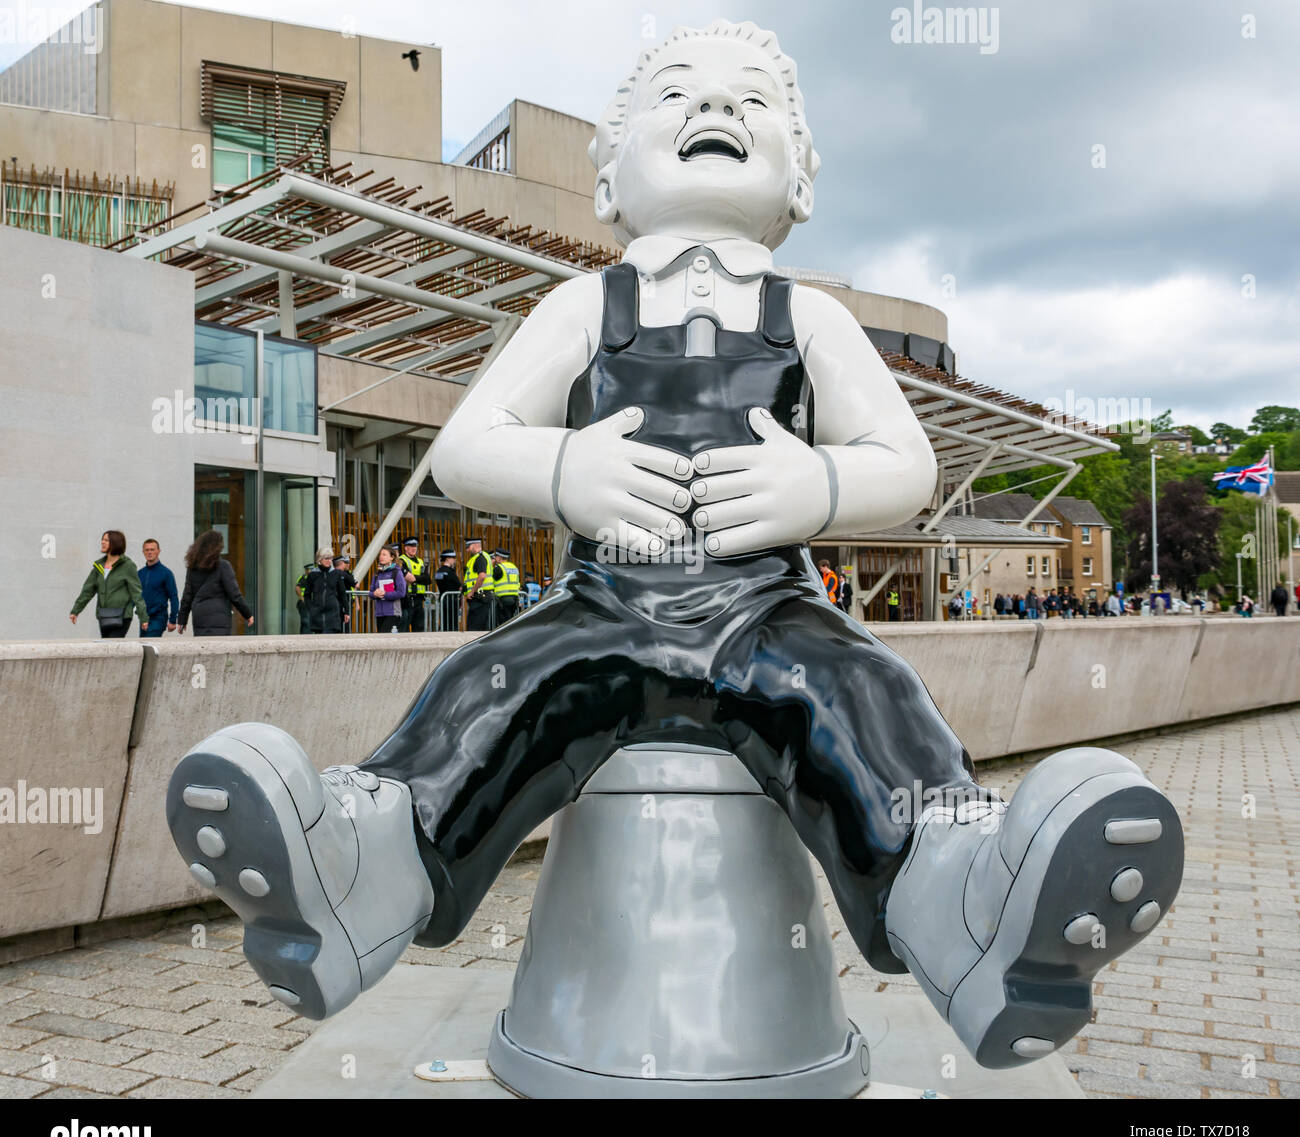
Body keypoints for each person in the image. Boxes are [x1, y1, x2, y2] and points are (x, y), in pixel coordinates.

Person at [167, 22, 1181, 1072]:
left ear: (803, 181)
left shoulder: (811, 319)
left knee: (864, 695)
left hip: (769, 615)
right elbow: (469, 446)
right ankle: (362, 872)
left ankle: (966, 903)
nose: (715, 111)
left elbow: (905, 461)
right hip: (603, 610)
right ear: (608, 182)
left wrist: (815, 483)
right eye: (679, 96)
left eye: (751, 102)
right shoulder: (582, 305)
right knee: (492, 681)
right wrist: (568, 473)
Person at [70, 530, 149, 638]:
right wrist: (76, 610)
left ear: (116, 542)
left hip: (122, 616)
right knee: (107, 649)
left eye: (106, 540)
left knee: (113, 647)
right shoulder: (99, 566)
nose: (102, 542)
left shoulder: (127, 566)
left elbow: (136, 593)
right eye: (102, 539)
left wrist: (143, 617)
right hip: (104, 615)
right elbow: (87, 591)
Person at [177, 530, 253, 636]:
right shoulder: (223, 566)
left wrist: (182, 619)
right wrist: (247, 614)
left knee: (202, 648)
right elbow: (234, 594)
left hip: (200, 617)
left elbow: (187, 597)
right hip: (219, 618)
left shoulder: (193, 568)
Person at [138, 538, 179, 637]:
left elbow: (173, 597)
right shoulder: (140, 573)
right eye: (147, 550)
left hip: (158, 617)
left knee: (149, 644)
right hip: (143, 618)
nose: (149, 552)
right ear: (143, 552)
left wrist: (173, 620)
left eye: (152, 549)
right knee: (144, 648)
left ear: (158, 551)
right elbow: (135, 596)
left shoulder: (166, 573)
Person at [301, 546, 346, 634]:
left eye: (331, 558)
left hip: (333, 613)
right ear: (320, 559)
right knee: (319, 639)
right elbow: (307, 594)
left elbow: (342, 593)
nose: (329, 561)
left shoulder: (336, 573)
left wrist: (346, 611)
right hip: (317, 614)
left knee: (330, 638)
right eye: (326, 558)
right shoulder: (312, 575)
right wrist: (311, 608)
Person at [370, 546, 408, 633]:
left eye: (384, 555)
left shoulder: (397, 572)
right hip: (379, 613)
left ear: (392, 557)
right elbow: (371, 592)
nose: (381, 557)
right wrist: (374, 594)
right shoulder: (377, 573)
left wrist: (385, 594)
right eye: (380, 554)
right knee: (381, 639)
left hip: (393, 613)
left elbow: (401, 593)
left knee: (386, 638)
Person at [397, 537, 430, 632]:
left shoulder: (420, 561)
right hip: (408, 598)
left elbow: (428, 579)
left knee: (419, 627)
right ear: (406, 548)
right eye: (411, 546)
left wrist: (415, 578)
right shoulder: (401, 560)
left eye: (415, 546)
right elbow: (408, 578)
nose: (414, 548)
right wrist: (420, 578)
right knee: (405, 627)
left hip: (419, 599)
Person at [463, 538, 495, 630]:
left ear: (475, 545)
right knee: (476, 627)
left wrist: (472, 592)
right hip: (479, 597)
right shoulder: (475, 558)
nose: (467, 550)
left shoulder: (480, 558)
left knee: (475, 628)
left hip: (480, 597)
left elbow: (482, 576)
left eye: (468, 547)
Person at [432, 550, 462, 630]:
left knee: (444, 622)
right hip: (452, 601)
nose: (454, 560)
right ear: (447, 558)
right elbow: (459, 586)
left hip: (443, 599)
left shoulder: (439, 571)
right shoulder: (450, 572)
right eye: (453, 557)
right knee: (452, 623)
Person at [492, 548, 522, 623]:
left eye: (496, 556)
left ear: (499, 557)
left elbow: (491, 581)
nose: (495, 558)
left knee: (503, 622)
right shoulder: (514, 567)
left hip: (503, 599)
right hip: (514, 599)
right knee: (510, 620)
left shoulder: (499, 568)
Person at [332, 555, 356, 632]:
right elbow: (354, 584)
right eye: (346, 562)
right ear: (342, 563)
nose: (348, 564)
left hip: (339, 602)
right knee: (345, 626)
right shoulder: (344, 574)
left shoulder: (331, 574)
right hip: (342, 602)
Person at [294, 563, 314, 633]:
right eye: (310, 570)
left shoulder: (315, 578)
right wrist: (302, 598)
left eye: (312, 569)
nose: (311, 571)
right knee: (306, 621)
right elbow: (297, 588)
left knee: (309, 622)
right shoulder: (303, 578)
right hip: (304, 602)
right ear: (306, 571)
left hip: (312, 602)